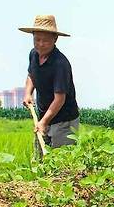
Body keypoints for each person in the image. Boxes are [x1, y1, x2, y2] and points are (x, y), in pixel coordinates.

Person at [18, 15, 79, 149]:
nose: (40, 44)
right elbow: (31, 75)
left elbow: (59, 99)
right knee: (42, 158)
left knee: (62, 161)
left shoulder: (60, 64)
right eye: (37, 39)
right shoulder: (34, 54)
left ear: (55, 39)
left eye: (45, 40)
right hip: (44, 116)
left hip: (64, 122)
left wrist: (44, 122)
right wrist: (28, 93)